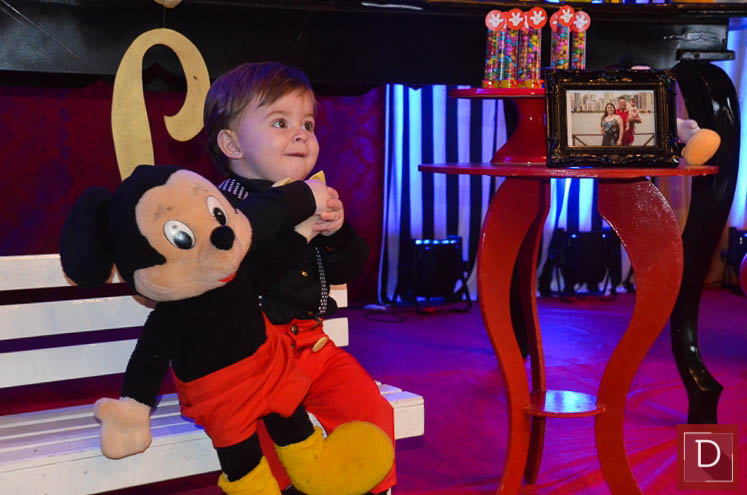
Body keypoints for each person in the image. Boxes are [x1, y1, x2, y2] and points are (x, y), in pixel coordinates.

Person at [203, 61, 395, 495]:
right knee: (269, 448)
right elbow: (242, 279)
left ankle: (371, 486)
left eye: (307, 124)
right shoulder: (223, 212)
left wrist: (336, 232)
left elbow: (348, 269)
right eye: (280, 123)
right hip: (254, 360)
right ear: (232, 143)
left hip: (314, 347)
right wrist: (297, 231)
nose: (301, 134)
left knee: (371, 412)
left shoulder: (312, 197)